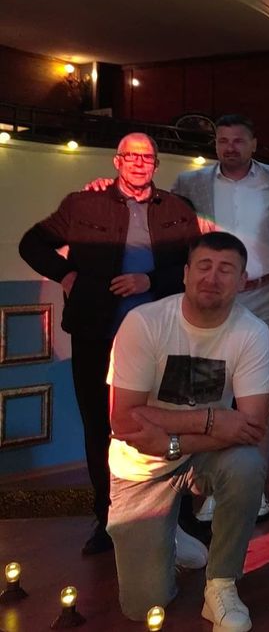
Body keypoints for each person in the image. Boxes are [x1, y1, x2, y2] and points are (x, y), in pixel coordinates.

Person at [19, 133, 199, 555]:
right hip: (95, 334)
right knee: (100, 427)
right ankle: (108, 519)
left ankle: (182, 515)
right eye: (130, 156)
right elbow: (31, 243)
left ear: (156, 164)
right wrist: (66, 275)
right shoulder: (83, 204)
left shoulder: (177, 208)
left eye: (147, 157)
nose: (139, 162)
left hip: (166, 336)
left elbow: (194, 264)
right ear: (117, 162)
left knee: (176, 419)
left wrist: (149, 280)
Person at [106, 232, 269, 630]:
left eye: (226, 269)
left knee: (247, 465)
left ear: (242, 281)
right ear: (185, 273)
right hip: (142, 467)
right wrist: (211, 420)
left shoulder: (251, 332)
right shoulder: (144, 323)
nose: (212, 278)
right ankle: (168, 534)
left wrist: (171, 440)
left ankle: (222, 583)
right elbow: (123, 421)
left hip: (199, 453)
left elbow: (252, 427)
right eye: (204, 266)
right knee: (145, 604)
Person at [171, 114, 269, 522]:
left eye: (238, 140)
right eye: (222, 140)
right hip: (211, 299)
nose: (230, 147)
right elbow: (162, 217)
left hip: (265, 295)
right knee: (207, 390)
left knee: (256, 396)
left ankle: (253, 487)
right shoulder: (190, 183)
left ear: (253, 144)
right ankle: (213, 486)